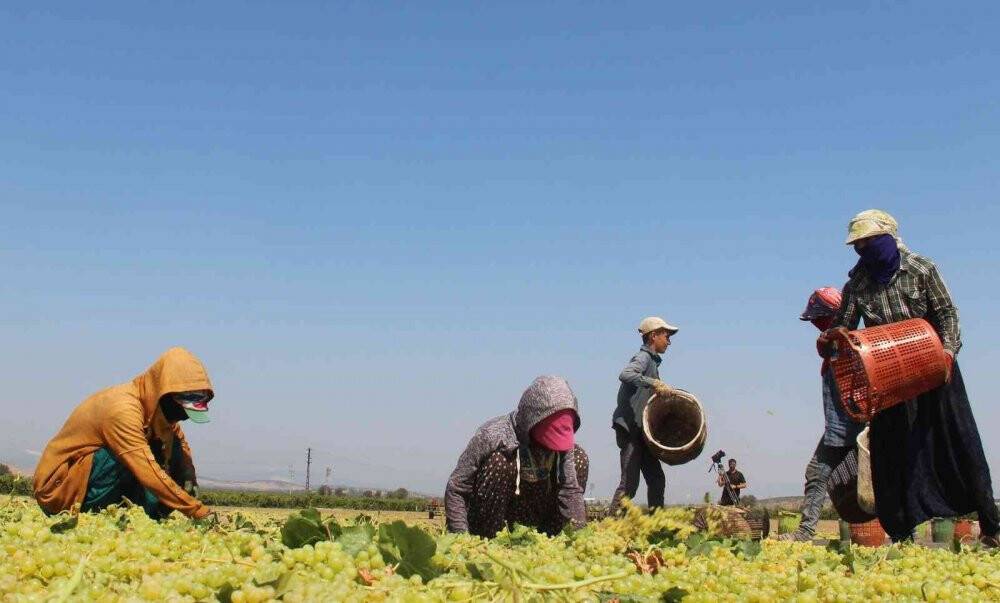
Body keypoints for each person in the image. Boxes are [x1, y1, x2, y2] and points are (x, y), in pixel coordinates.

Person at [818, 209, 999, 546]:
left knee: (957, 440)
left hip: (933, 367)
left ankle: (991, 526)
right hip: (885, 374)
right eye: (858, 244)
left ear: (888, 237)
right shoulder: (857, 283)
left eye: (869, 241)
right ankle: (901, 531)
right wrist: (832, 337)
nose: (863, 249)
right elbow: (843, 324)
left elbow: (947, 313)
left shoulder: (921, 269)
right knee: (892, 451)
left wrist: (947, 352)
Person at [33, 347, 214, 520]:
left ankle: (144, 514)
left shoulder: (155, 413)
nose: (183, 419)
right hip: (60, 492)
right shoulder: (123, 410)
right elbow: (145, 468)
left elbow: (180, 441)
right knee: (135, 454)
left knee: (171, 446)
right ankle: (97, 512)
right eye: (182, 412)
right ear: (164, 395)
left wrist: (189, 475)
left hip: (92, 482)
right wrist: (196, 510)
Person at [444, 375, 589, 537]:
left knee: (579, 459)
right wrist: (460, 537)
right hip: (495, 518)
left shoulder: (564, 446)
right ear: (532, 422)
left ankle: (550, 538)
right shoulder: (492, 435)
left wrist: (579, 535)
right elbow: (456, 487)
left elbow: (570, 489)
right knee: (499, 461)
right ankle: (489, 539)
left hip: (537, 517)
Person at [777, 288, 864, 541]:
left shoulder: (850, 347)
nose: (816, 324)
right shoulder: (835, 345)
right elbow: (823, 345)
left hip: (853, 429)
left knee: (819, 472)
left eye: (819, 319)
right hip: (842, 428)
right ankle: (805, 532)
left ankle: (805, 533)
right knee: (817, 473)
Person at [610, 316, 677, 512]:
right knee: (629, 483)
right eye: (666, 336)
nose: (669, 341)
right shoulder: (644, 358)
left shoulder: (653, 363)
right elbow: (626, 374)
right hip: (630, 429)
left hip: (642, 432)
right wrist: (653, 383)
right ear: (653, 336)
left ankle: (656, 525)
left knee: (656, 479)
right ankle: (610, 526)